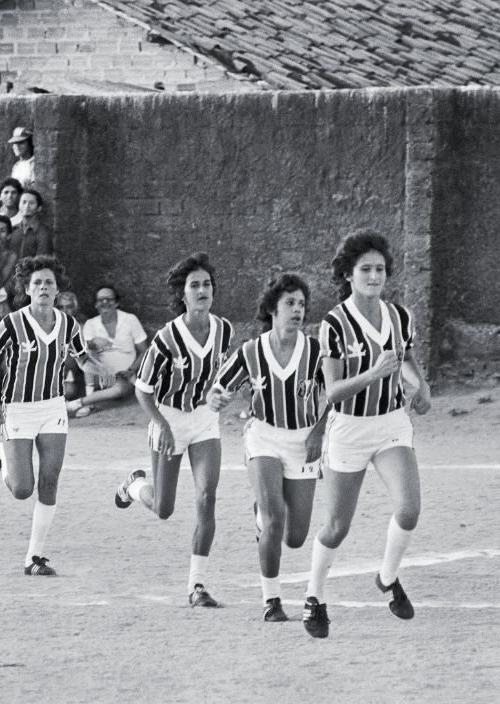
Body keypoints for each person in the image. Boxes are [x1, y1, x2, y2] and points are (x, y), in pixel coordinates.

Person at [301, 231, 431, 639]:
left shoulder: (399, 316)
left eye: (380, 269)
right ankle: (314, 597)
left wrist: (420, 385)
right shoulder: (335, 323)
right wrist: (373, 373)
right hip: (349, 430)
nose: (375, 276)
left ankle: (388, 578)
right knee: (337, 526)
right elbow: (333, 391)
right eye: (366, 270)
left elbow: (406, 358)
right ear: (349, 275)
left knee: (409, 508)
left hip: (391, 422)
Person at [113, 253, 233, 608]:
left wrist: (220, 395)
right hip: (167, 417)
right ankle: (135, 486)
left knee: (206, 497)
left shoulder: (224, 329)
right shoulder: (166, 338)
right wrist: (162, 425)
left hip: (204, 420)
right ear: (182, 294)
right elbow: (142, 389)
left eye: (206, 284)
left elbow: (220, 377)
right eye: (194, 285)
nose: (202, 290)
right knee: (164, 508)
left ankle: (197, 585)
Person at [208, 274, 325, 622]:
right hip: (264, 436)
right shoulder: (251, 351)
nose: (297, 310)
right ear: (272, 309)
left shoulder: (317, 351)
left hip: (304, 440)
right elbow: (216, 388)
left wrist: (319, 430)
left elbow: (336, 392)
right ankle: (271, 601)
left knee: (295, 537)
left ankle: (260, 515)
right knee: (275, 519)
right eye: (290, 303)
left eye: (302, 304)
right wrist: (217, 397)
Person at [0, 255, 89, 576]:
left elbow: (84, 361)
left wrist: (110, 369)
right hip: (18, 409)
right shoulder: (12, 322)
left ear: (57, 289)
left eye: (48, 282)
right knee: (22, 489)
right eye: (36, 282)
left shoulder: (68, 324)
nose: (43, 287)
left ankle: (34, 557)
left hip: (53, 407)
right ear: (26, 288)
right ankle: (0, 450)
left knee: (49, 482)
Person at [66, 285, 148, 418]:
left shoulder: (130, 320)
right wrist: (93, 344)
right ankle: (89, 398)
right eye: (101, 300)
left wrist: (132, 370)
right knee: (89, 350)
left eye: (109, 299)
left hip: (125, 376)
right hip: (100, 375)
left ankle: (79, 403)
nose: (105, 302)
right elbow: (83, 352)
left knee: (120, 388)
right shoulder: (91, 324)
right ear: (96, 305)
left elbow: (144, 351)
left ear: (117, 303)